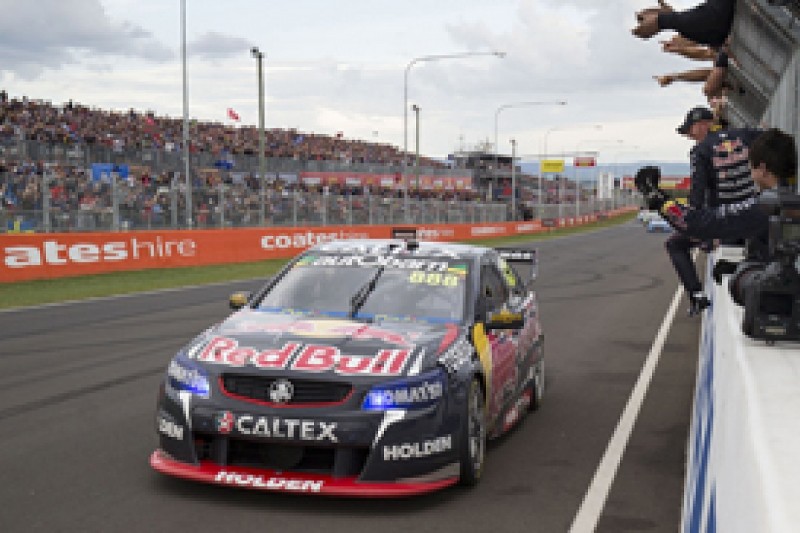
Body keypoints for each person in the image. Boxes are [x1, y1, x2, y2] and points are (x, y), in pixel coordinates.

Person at [636, 128, 797, 306]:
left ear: (763, 169)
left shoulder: (769, 206)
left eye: (749, 165)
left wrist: (659, 200)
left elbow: (699, 223)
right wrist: (740, 267)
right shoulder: (790, 199)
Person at [652, 106, 760, 316]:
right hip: (753, 215)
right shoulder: (746, 135)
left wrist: (699, 228)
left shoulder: (700, 151)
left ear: (702, 125)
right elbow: (775, 142)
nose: (689, 136)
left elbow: (697, 195)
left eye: (690, 130)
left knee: (675, 244)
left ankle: (697, 296)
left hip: (724, 224)